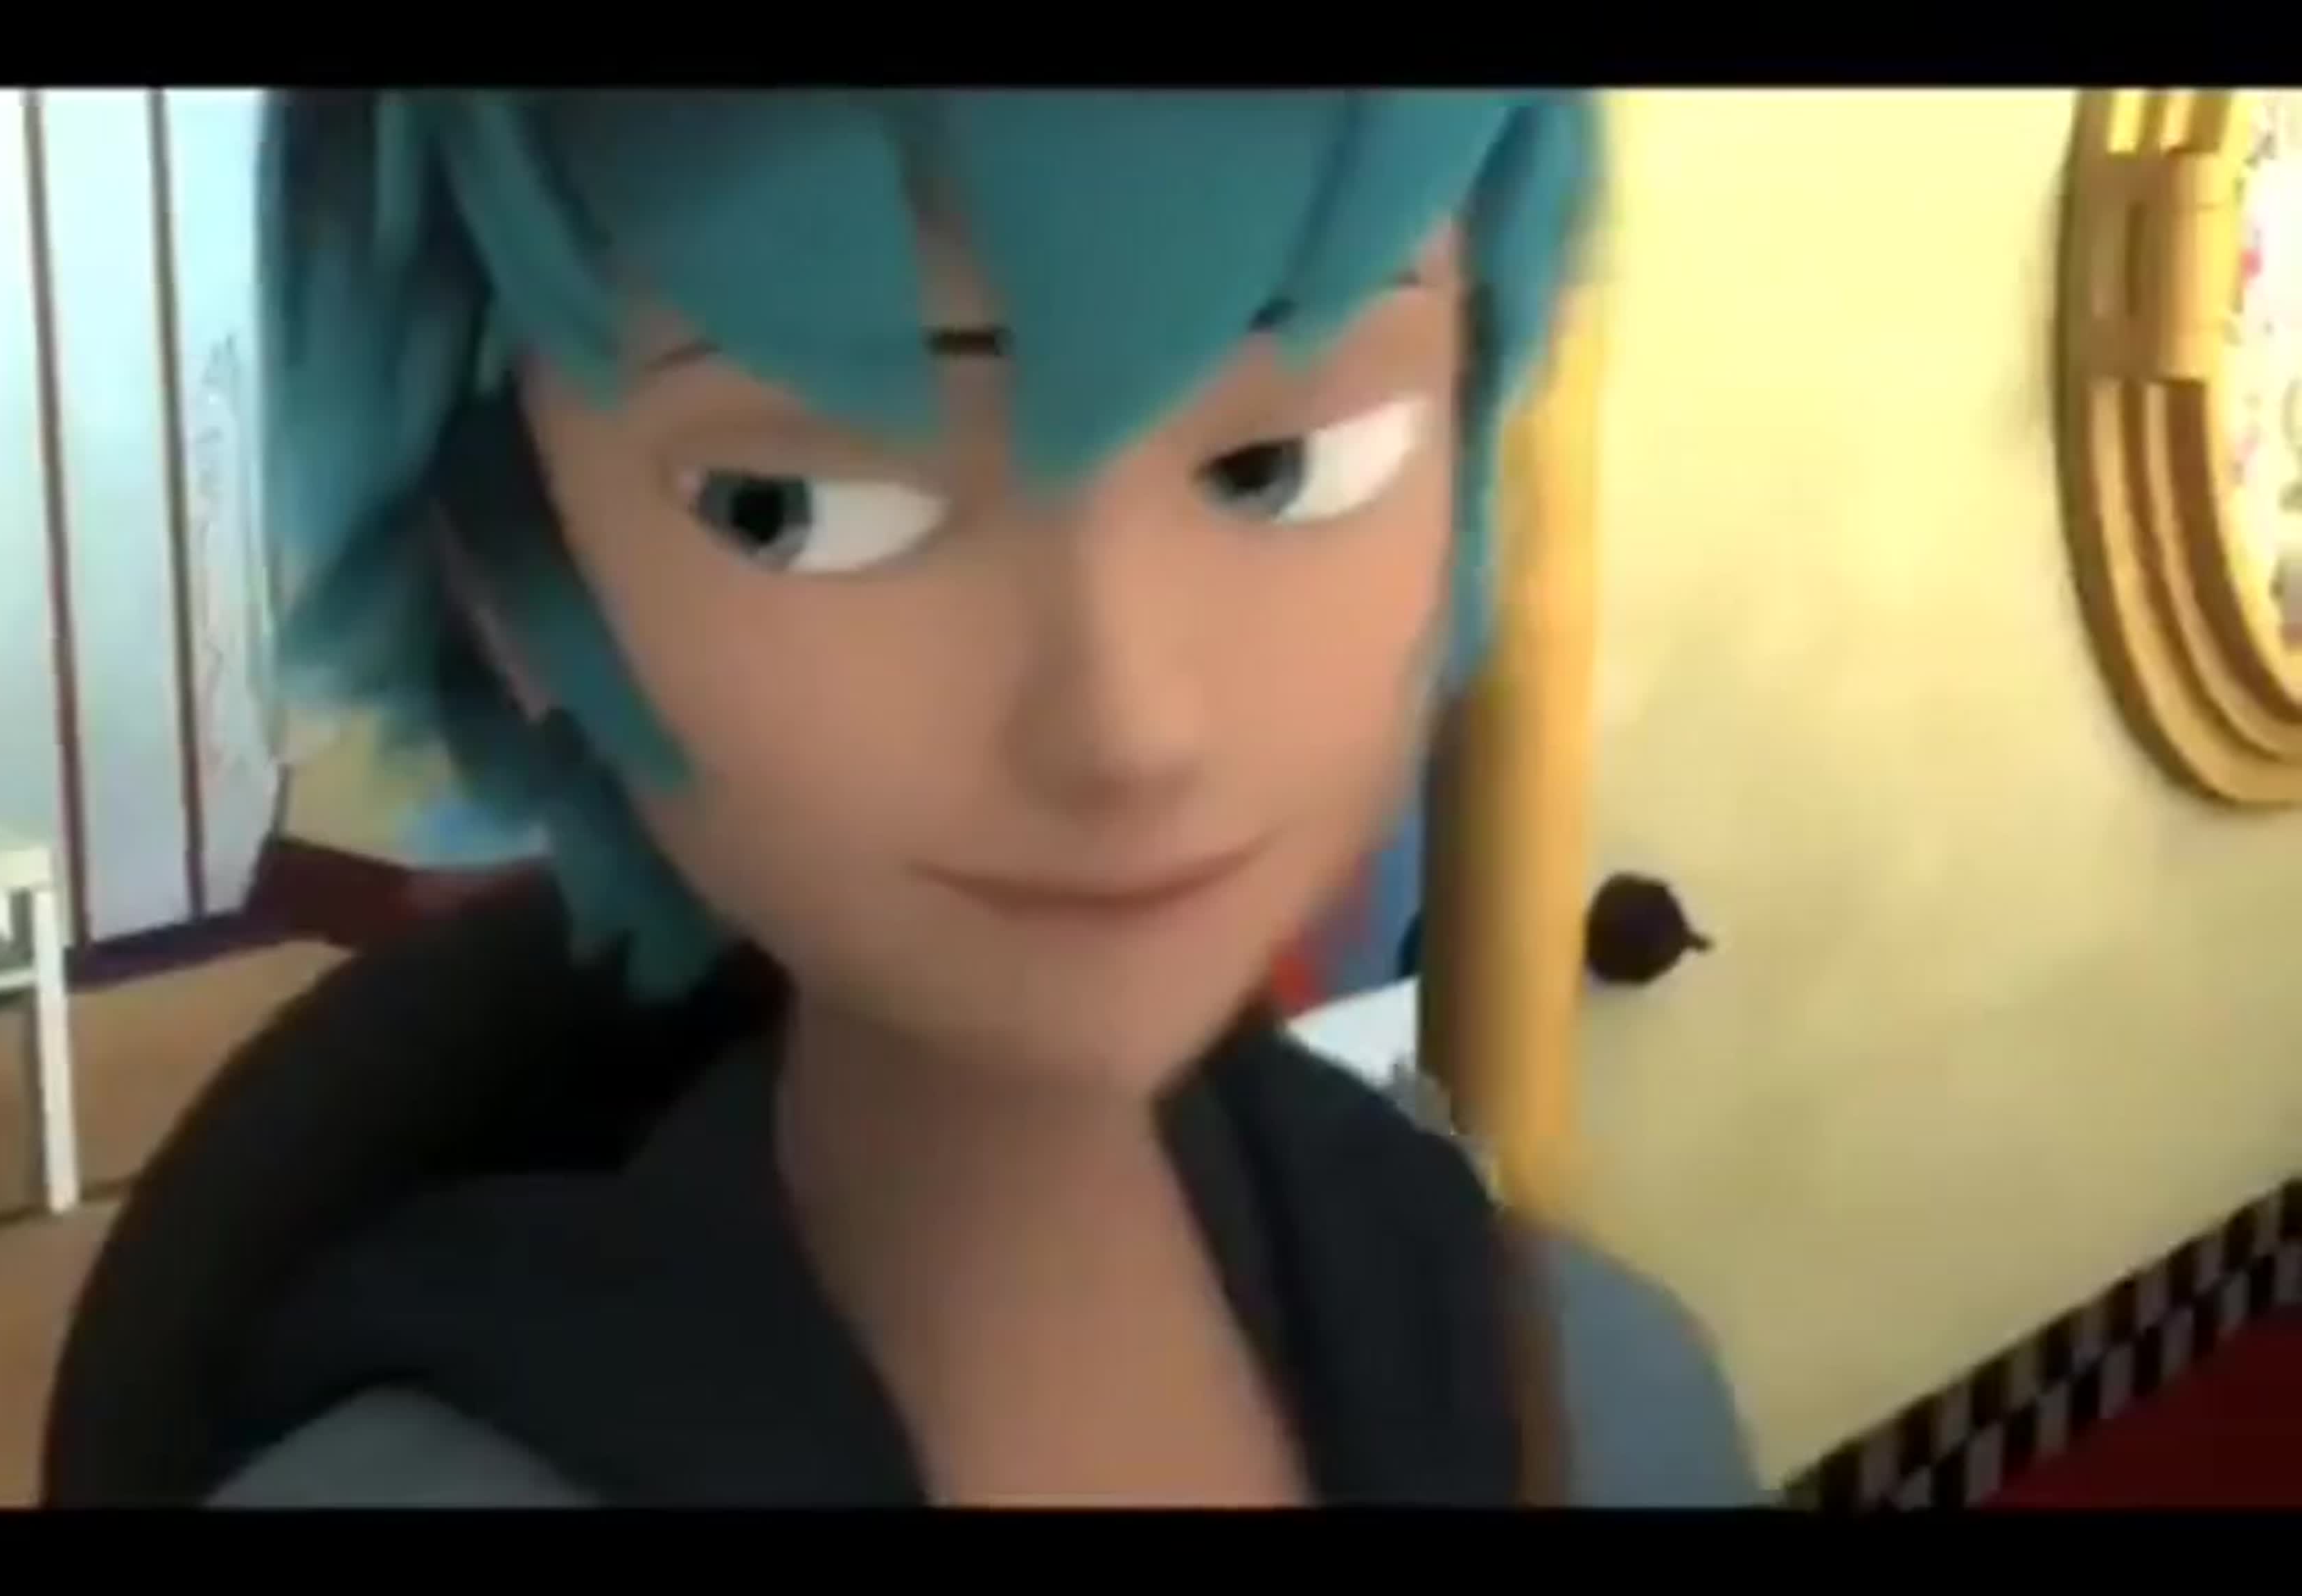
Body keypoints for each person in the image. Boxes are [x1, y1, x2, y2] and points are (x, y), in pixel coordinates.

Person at [209, 89, 1758, 1507]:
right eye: (795, 507)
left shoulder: (1601, 1396)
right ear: (509, 579)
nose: (1124, 726)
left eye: (1285, 468)